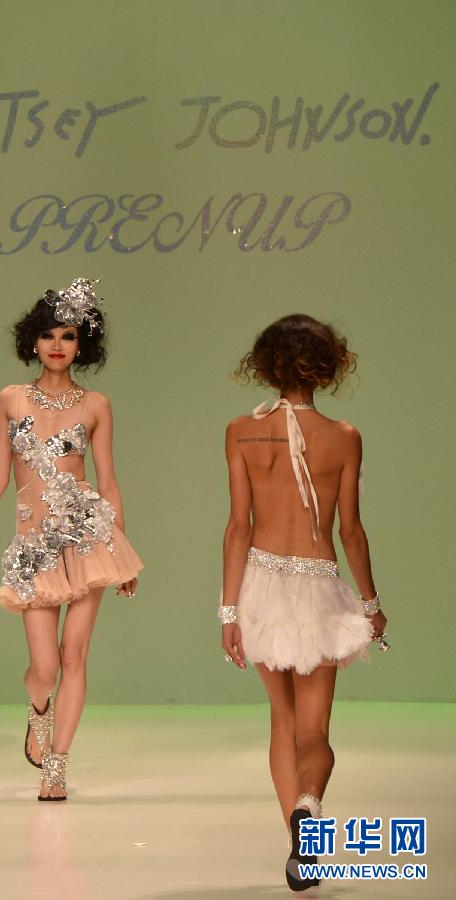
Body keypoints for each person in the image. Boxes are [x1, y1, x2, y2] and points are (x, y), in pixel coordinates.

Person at [0, 278, 143, 800]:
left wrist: (121, 552)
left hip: (88, 539)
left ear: (81, 345)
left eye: (68, 336)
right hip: (33, 548)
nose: (57, 344)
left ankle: (57, 765)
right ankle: (39, 710)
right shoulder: (10, 399)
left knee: (75, 655)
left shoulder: (96, 405)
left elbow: (109, 483)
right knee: (45, 668)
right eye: (48, 334)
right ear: (32, 340)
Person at [219, 314, 388, 891]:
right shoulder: (344, 436)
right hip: (318, 587)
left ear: (267, 365)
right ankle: (309, 809)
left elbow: (238, 527)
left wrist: (228, 611)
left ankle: (299, 847)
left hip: (261, 585)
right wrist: (370, 603)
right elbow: (351, 533)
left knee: (282, 721)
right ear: (327, 366)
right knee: (314, 732)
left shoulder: (241, 431)